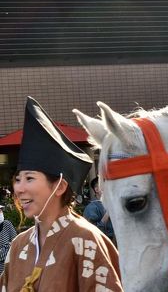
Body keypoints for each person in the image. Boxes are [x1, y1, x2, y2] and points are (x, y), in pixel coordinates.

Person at [0, 97, 123, 291]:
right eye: (18, 179)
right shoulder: (18, 246)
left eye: (29, 178)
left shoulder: (86, 240)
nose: (19, 188)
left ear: (59, 186)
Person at [83, 177, 115, 242]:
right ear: (97, 189)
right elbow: (92, 232)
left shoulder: (113, 203)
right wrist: (107, 214)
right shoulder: (91, 207)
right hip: (103, 244)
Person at [0, 205, 17, 274]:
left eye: (0, 210)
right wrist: (7, 246)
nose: (0, 212)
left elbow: (16, 244)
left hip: (7, 269)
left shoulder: (7, 224)